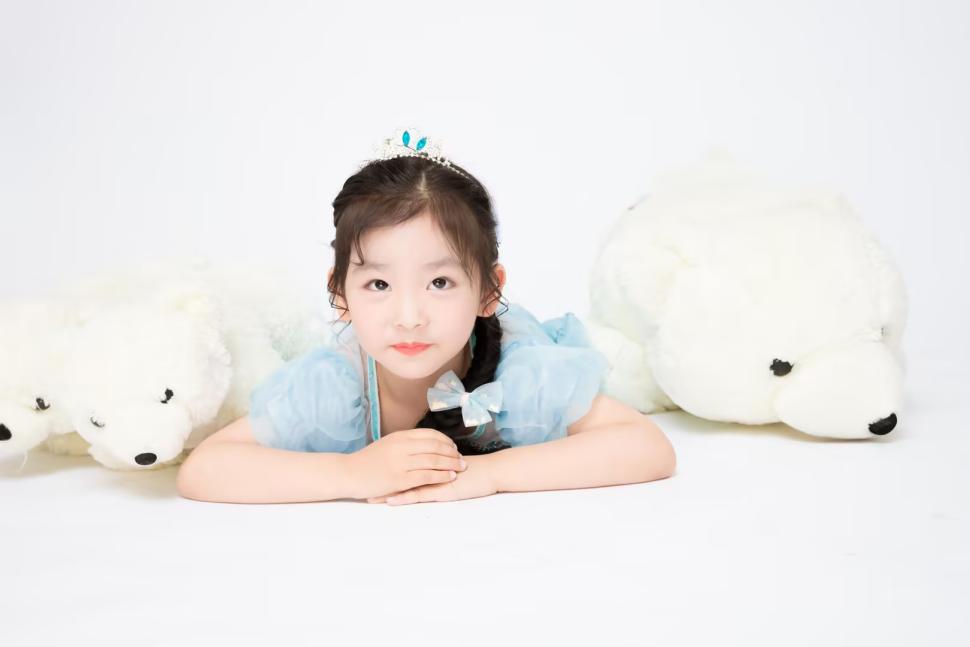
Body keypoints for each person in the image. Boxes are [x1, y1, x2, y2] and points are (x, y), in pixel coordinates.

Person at [176, 128, 676, 505]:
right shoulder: (337, 384)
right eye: (378, 285)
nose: (409, 317)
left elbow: (647, 446)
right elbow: (206, 468)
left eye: (440, 283)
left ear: (488, 290)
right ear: (340, 294)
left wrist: (491, 475)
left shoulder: (522, 374)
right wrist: (351, 474)